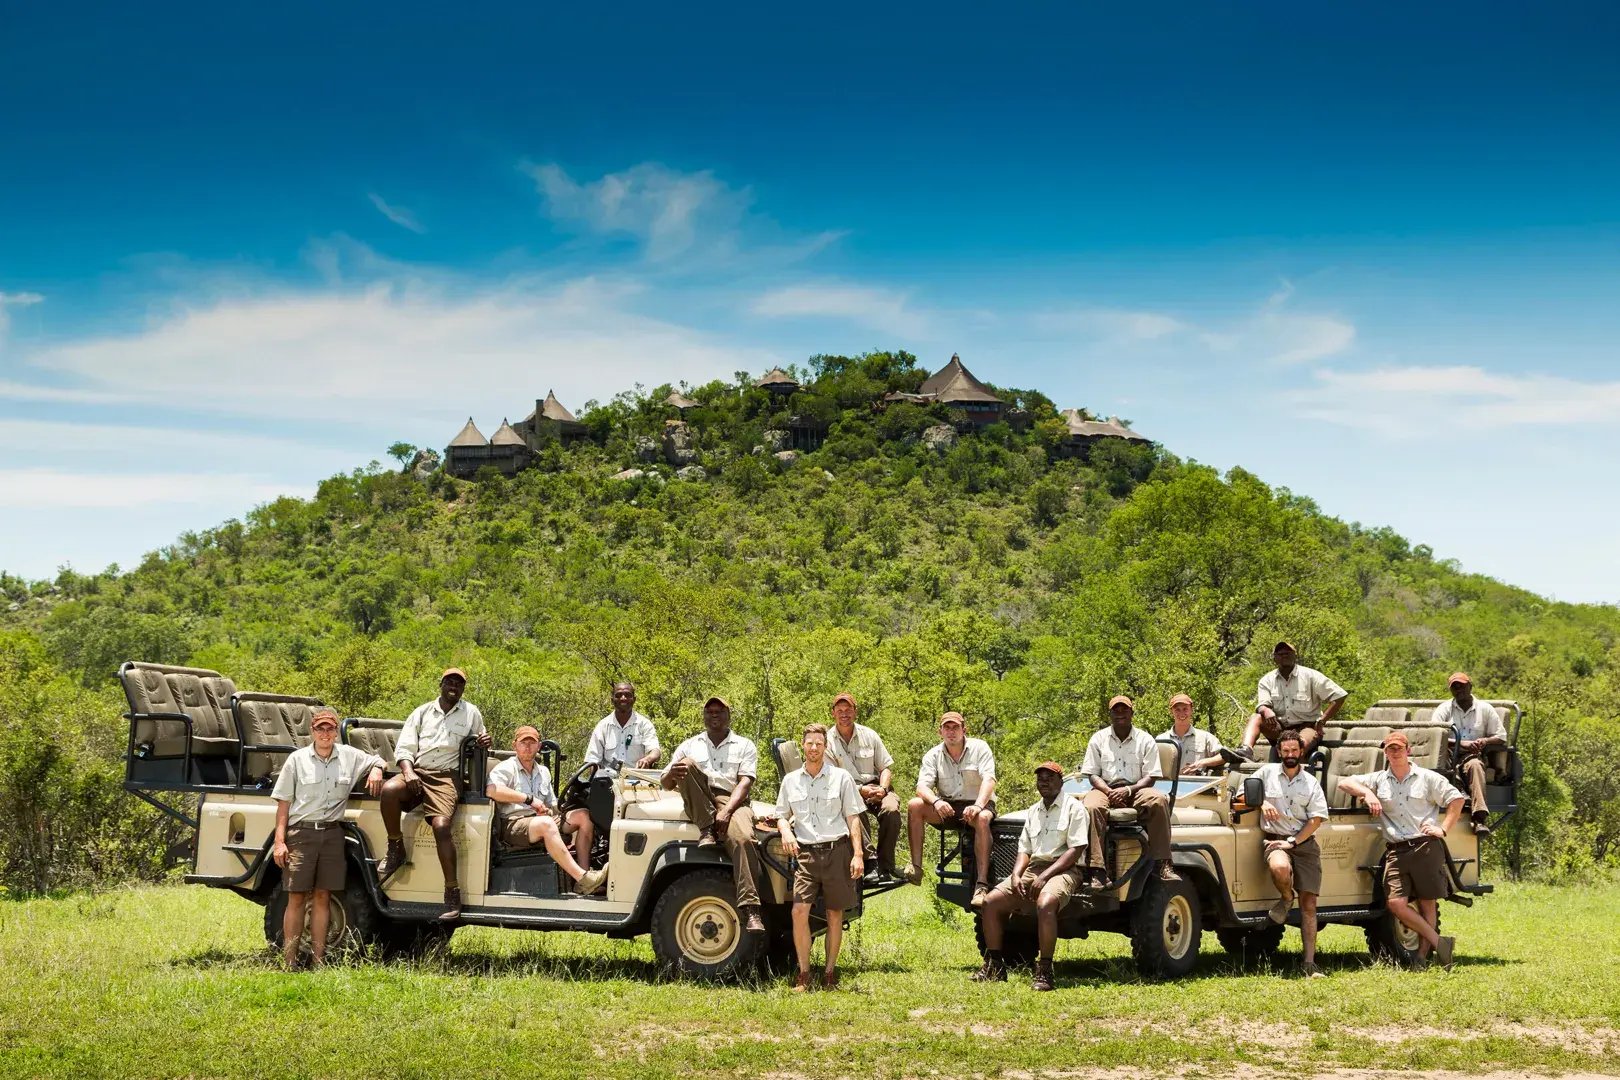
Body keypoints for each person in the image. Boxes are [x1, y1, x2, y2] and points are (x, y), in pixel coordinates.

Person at [1336, 730, 1465, 970]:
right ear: (1385, 753)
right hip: (1395, 849)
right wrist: (1367, 793)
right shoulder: (1378, 780)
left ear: (1408, 751)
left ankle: (1421, 957)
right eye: (1389, 749)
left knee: (1427, 904)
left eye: (1398, 748)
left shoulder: (1427, 778)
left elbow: (1456, 800)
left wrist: (1443, 829)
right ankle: (1440, 942)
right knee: (1396, 903)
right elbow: (1344, 782)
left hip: (1425, 845)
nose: (1394, 753)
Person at [270, 707, 386, 969]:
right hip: (301, 833)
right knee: (297, 897)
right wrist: (280, 842)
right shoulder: (297, 760)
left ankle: (318, 960)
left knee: (324, 896)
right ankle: (289, 961)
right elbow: (283, 805)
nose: (325, 733)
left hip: (333, 833)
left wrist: (377, 769)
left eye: (330, 729)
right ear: (312, 731)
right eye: (320, 728)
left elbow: (378, 760)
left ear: (336, 732)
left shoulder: (349, 756)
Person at [377, 668, 492, 920]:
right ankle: (395, 846)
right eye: (449, 681)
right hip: (417, 770)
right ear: (441, 684)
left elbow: (481, 740)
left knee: (441, 825)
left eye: (459, 683)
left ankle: (452, 892)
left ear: (463, 688)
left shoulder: (471, 712)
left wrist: (484, 742)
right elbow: (405, 749)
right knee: (389, 790)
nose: (454, 686)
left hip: (446, 776)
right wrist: (408, 773)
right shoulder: (421, 712)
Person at [974, 762, 1088, 991]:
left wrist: (1045, 876)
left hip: (1065, 869)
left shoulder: (1074, 808)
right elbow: (1024, 850)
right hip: (1034, 868)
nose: (1044, 782)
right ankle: (995, 965)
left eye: (1049, 778)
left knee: (1045, 903)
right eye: (1040, 778)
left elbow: (1075, 850)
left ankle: (1045, 971)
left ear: (1060, 781)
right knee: (990, 902)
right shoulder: (1034, 811)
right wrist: (1016, 875)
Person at [661, 696, 766, 933]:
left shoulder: (744, 744)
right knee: (685, 764)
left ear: (729, 715)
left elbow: (745, 782)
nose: (714, 715)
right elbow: (666, 783)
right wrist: (674, 774)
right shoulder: (690, 745)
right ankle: (706, 827)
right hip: (700, 798)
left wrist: (727, 811)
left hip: (733, 800)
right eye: (709, 712)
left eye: (719, 711)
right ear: (704, 716)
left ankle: (751, 909)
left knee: (743, 838)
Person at [775, 723, 865, 991]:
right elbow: (781, 814)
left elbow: (853, 817)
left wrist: (857, 854)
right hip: (806, 854)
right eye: (809, 743)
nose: (814, 748)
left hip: (837, 851)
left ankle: (829, 974)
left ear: (825, 747)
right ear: (803, 745)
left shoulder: (841, 778)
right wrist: (786, 833)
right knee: (798, 911)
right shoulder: (791, 780)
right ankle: (804, 974)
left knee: (834, 914)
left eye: (819, 743)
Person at [486, 726, 607, 896]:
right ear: (515, 745)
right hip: (513, 824)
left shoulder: (543, 771)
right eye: (523, 743)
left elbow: (552, 804)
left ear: (539, 746)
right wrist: (528, 799)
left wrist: (552, 810)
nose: (527, 747)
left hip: (541, 820)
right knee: (547, 824)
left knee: (584, 817)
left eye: (532, 743)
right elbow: (491, 791)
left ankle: (585, 880)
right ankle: (581, 877)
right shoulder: (506, 768)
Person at [1252, 729, 1330, 978]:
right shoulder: (1265, 773)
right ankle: (1286, 898)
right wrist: (1261, 801)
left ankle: (1309, 963)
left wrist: (1294, 842)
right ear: (1278, 752)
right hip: (1274, 840)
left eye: (1294, 751)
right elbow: (1242, 793)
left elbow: (1317, 819)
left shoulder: (1311, 782)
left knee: (1309, 903)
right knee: (1279, 868)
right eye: (1285, 751)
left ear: (1301, 752)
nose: (1290, 755)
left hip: (1303, 843)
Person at [1081, 696, 1178, 884]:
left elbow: (1151, 776)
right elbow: (1092, 774)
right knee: (1091, 807)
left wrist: (1128, 790)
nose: (1120, 714)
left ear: (1131, 713)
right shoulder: (1098, 739)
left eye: (1124, 710)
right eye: (1115, 711)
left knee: (1158, 800)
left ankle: (1163, 863)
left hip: (1136, 788)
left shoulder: (1145, 739)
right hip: (1105, 788)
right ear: (1109, 715)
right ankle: (1097, 869)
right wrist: (1110, 792)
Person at [903, 712, 997, 907]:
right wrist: (936, 802)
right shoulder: (933, 754)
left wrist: (978, 805)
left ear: (964, 730)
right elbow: (922, 787)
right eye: (947, 728)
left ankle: (981, 885)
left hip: (978, 803)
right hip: (949, 806)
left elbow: (989, 780)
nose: (951, 732)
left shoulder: (980, 748)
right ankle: (916, 868)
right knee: (914, 805)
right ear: (940, 732)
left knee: (982, 819)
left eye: (955, 727)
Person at [573, 681, 662, 865]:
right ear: (612, 699)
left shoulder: (644, 724)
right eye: (619, 694)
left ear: (634, 699)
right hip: (608, 786)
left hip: (636, 784)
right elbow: (592, 760)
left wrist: (648, 758)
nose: (623, 698)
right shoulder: (603, 726)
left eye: (627, 695)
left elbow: (655, 750)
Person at [823, 692, 901, 882]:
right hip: (848, 790)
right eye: (840, 710)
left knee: (892, 810)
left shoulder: (870, 734)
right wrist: (859, 791)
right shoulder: (827, 741)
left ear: (855, 712)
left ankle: (886, 864)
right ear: (833, 713)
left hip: (877, 786)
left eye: (848, 710)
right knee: (854, 808)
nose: (844, 714)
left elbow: (886, 768)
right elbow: (832, 779)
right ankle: (871, 861)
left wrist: (882, 789)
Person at [1236, 641, 1347, 760]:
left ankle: (1295, 773)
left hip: (1307, 727)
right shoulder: (1266, 680)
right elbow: (1262, 704)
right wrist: (1266, 710)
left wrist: (1322, 720)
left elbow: (1339, 696)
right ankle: (1246, 750)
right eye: (1280, 654)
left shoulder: (1311, 676)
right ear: (1275, 658)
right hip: (1279, 728)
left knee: (1297, 745)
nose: (1284, 656)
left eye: (1288, 653)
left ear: (1295, 655)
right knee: (1256, 717)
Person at [1430, 672, 1505, 837]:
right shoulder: (1444, 709)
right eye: (1454, 687)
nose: (1459, 690)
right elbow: (1433, 735)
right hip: (1449, 754)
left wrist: (1484, 741)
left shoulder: (1485, 709)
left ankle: (1479, 819)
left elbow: (1501, 737)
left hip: (1473, 755)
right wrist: (1460, 743)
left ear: (1470, 686)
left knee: (1475, 766)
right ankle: (1460, 792)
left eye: (1462, 686)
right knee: (1442, 763)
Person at [1159, 693, 1224, 774]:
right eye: (1177, 710)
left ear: (1191, 710)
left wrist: (1203, 762)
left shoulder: (1205, 737)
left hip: (1197, 784)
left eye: (1185, 709)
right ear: (1171, 712)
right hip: (1167, 785)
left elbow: (1223, 756)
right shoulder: (1161, 739)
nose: (1181, 713)